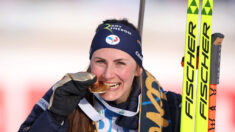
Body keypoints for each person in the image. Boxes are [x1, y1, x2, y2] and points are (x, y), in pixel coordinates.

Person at [18, 19, 182, 132]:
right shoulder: (68, 92)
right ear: (90, 62)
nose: (108, 74)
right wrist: (54, 118)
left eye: (120, 63)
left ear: (138, 69)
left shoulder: (169, 107)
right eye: (100, 62)